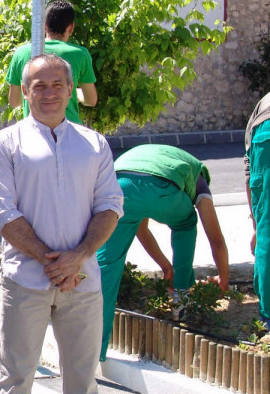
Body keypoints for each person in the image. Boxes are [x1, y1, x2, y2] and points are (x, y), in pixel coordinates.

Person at [0, 53, 123, 394]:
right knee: (16, 379)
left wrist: (78, 256)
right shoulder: (5, 144)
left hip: (83, 283)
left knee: (82, 383)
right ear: (25, 92)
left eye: (56, 84)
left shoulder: (94, 143)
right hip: (26, 282)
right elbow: (0, 211)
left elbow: (110, 206)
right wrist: (51, 259)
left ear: (70, 88)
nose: (48, 92)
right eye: (38, 85)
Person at [97, 144, 229, 356]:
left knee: (107, 266)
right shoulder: (199, 178)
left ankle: (93, 350)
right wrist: (224, 280)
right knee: (186, 224)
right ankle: (182, 301)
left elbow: (141, 229)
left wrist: (165, 266)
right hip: (163, 186)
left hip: (118, 186)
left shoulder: (161, 157)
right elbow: (216, 240)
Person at [7, 0, 97, 124]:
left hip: (35, 131)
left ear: (45, 25)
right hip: (70, 130)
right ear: (71, 27)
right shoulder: (80, 54)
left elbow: (14, 102)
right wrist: (72, 91)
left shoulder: (21, 53)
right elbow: (91, 100)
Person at [245, 93, 270, 324]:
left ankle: (268, 316)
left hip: (263, 132)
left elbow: (249, 170)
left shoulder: (262, 102)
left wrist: (257, 224)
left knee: (268, 235)